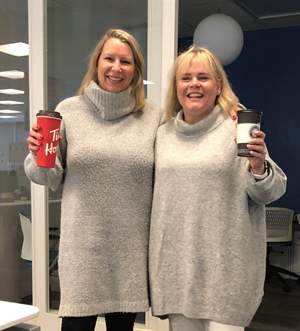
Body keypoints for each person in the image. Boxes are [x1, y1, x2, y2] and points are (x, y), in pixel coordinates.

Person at [24, 28, 161, 331]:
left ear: (136, 70)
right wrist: (36, 153)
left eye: (125, 61)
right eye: (109, 58)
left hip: (129, 253)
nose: (116, 67)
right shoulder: (68, 111)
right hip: (82, 250)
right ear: (97, 63)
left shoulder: (153, 117)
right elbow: (48, 176)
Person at [149, 45, 287, 331]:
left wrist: (259, 166)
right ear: (176, 86)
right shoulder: (162, 134)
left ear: (218, 85)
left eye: (203, 77)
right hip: (178, 270)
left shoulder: (237, 130)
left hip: (226, 273)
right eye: (185, 78)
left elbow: (270, 192)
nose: (194, 84)